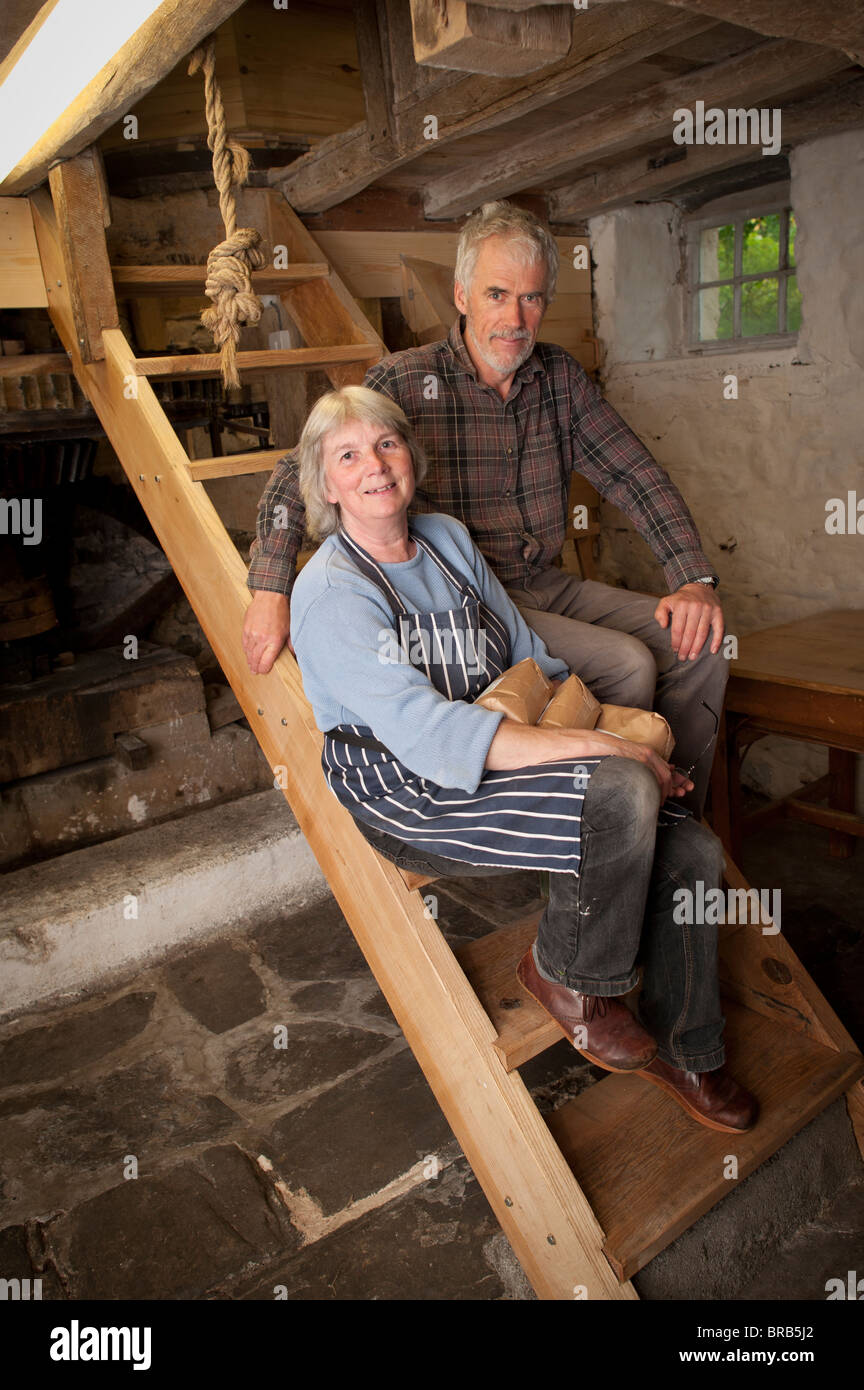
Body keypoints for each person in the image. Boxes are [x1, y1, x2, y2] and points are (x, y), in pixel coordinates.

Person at [286, 383, 757, 1134]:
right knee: (620, 793)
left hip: (497, 729)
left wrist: (599, 720)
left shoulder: (444, 538)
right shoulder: (332, 593)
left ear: (410, 456)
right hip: (408, 786)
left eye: (386, 444)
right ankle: (565, 972)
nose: (374, 466)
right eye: (348, 455)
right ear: (324, 483)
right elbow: (431, 737)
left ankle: (688, 1047)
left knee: (693, 848)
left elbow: (525, 654)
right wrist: (608, 749)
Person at [243, 201, 728, 817]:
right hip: (473, 597)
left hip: (547, 582)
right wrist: (270, 587)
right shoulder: (404, 380)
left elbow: (636, 473)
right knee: (628, 665)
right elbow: (297, 473)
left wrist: (693, 577)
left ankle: (675, 813)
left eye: (531, 299)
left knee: (702, 644)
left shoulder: (559, 378)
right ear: (461, 295)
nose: (514, 318)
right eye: (497, 294)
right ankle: (600, 833)